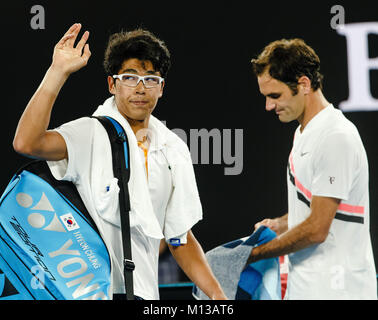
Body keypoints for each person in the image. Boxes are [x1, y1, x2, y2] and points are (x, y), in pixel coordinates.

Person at [13, 23, 226, 300]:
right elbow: (27, 142)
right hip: (86, 293)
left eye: (150, 79)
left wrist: (219, 297)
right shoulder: (91, 133)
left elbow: (179, 239)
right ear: (113, 84)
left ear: (161, 88)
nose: (140, 88)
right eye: (130, 77)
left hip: (145, 296)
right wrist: (58, 71)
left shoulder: (174, 149)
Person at [248, 38, 377, 299]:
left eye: (275, 95)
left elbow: (317, 227)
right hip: (309, 288)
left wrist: (254, 254)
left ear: (304, 84)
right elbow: (314, 210)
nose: (269, 106)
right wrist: (280, 223)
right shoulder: (304, 132)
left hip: (339, 292)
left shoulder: (335, 136)